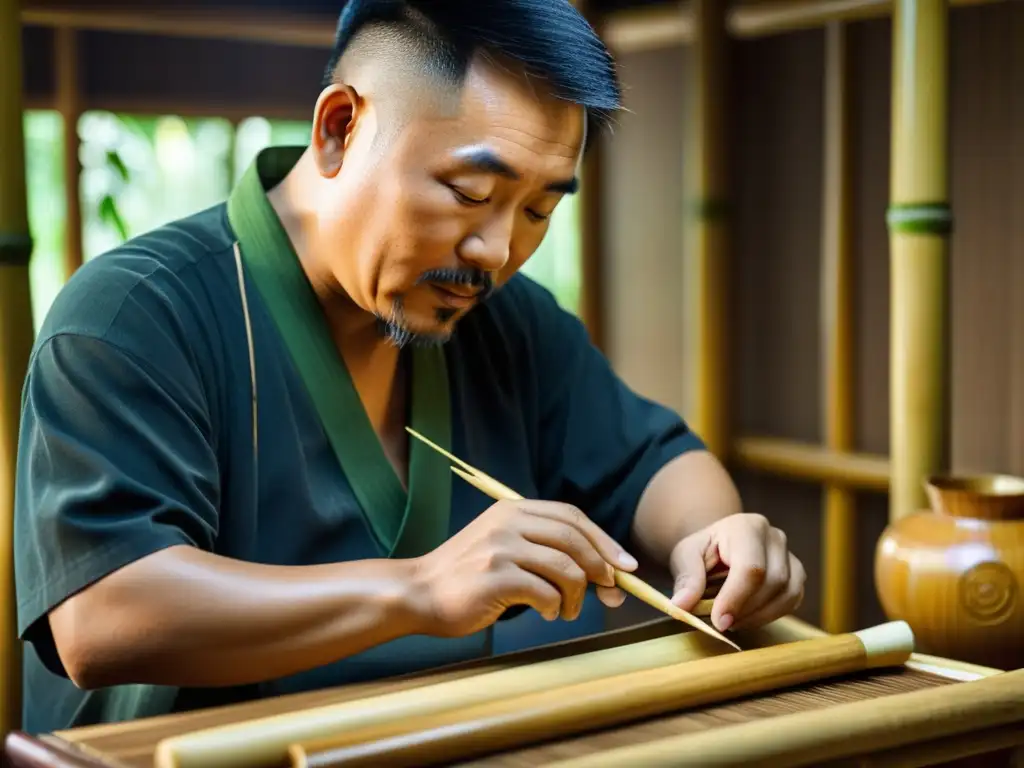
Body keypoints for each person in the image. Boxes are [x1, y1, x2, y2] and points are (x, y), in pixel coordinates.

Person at [14, 0, 805, 735]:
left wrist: (715, 538)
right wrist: (422, 590)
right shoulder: (136, 315)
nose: (497, 252)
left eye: (538, 210)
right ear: (338, 129)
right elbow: (102, 615)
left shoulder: (507, 321)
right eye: (469, 193)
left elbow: (654, 462)